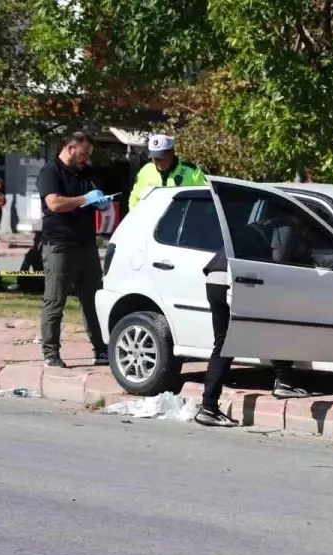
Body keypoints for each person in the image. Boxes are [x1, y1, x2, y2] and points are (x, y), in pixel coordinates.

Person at [193, 249, 309, 428]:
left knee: (227, 341)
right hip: (239, 278)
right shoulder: (286, 225)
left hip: (216, 276)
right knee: (273, 323)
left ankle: (208, 407)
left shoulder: (258, 225)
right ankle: (209, 407)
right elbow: (280, 258)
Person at [36, 131, 110, 369]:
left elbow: (97, 194)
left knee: (93, 300)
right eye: (84, 153)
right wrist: (84, 199)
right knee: (55, 300)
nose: (86, 159)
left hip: (86, 244)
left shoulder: (86, 173)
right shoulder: (50, 171)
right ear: (70, 148)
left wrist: (102, 201)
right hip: (59, 243)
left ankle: (101, 350)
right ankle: (51, 353)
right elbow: (55, 203)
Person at [129, 133, 207, 210]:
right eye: (155, 158)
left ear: (171, 152)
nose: (158, 162)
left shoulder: (192, 171)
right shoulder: (146, 171)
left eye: (161, 156)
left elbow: (207, 197)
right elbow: (135, 197)